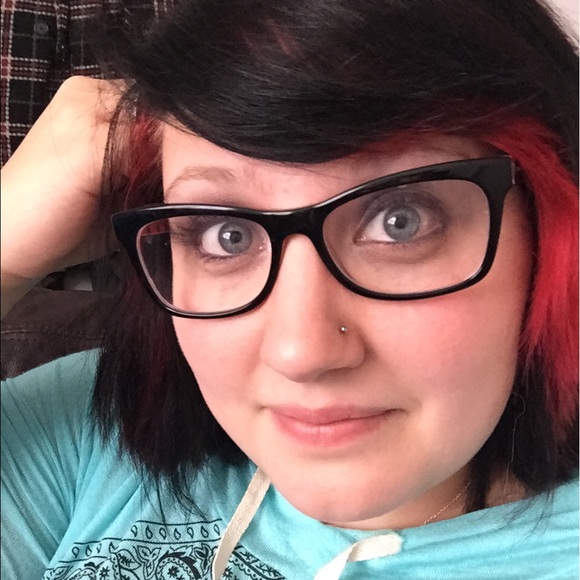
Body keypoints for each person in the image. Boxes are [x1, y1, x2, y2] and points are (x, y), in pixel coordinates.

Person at [1, 0, 578, 578]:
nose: (301, 353)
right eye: (225, 235)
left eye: (401, 221)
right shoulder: (93, 426)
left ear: (548, 229)